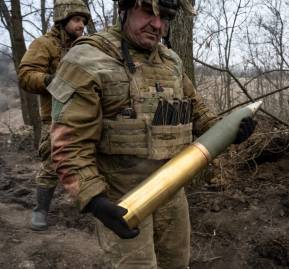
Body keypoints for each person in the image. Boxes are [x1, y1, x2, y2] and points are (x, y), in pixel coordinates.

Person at [47, 0, 256, 267]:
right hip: (121, 195)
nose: (157, 25)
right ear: (125, 10)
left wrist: (229, 131)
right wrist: (94, 199)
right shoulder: (87, 59)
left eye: (165, 18)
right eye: (148, 12)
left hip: (172, 188)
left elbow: (195, 110)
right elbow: (68, 142)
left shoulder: (170, 60)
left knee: (177, 263)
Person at [18, 0, 91, 231]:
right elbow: (26, 75)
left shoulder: (86, 46)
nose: (81, 25)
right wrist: (50, 80)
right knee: (51, 163)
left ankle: (90, 204)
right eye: (77, 20)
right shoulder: (44, 44)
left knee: (90, 159)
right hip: (56, 117)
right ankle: (40, 210)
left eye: (84, 21)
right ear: (63, 20)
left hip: (86, 115)